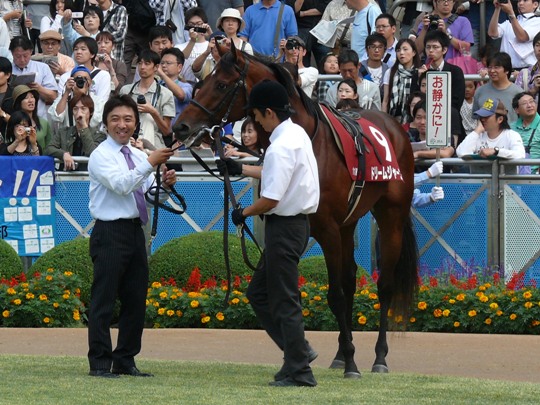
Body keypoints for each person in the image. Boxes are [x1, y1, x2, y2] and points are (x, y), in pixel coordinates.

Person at [218, 80, 319, 387]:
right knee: (259, 293)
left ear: (268, 113)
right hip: (295, 226)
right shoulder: (296, 133)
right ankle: (296, 354)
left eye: (258, 116)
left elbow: (271, 198)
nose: (257, 122)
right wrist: (242, 169)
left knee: (284, 299)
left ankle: (300, 370)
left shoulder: (280, 145)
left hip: (284, 228)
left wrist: (243, 213)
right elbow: (278, 173)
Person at [87, 94, 176, 378]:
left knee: (136, 299)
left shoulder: (137, 155)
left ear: (136, 124)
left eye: (128, 119)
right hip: (109, 232)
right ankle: (100, 362)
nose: (122, 125)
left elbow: (148, 196)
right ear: (105, 124)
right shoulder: (100, 155)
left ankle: (125, 359)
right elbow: (122, 185)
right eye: (115, 119)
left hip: (136, 231)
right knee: (104, 299)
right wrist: (150, 162)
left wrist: (166, 185)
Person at [119, 49, 175, 151]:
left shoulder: (166, 94)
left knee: (148, 120)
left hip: (154, 146)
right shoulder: (126, 90)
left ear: (156, 67)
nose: (142, 67)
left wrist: (153, 112)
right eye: (140, 63)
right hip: (128, 141)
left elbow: (167, 131)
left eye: (147, 63)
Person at [456, 98, 526, 174]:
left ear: (500, 119)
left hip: (506, 183)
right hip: (480, 183)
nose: (482, 119)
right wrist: (477, 131)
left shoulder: (512, 135)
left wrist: (496, 151)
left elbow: (520, 155)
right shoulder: (477, 135)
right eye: (481, 116)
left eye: (486, 116)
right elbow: (461, 153)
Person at [44, 93, 105, 171]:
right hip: (66, 177)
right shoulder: (63, 132)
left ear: (91, 112)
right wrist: (63, 154)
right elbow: (49, 149)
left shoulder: (99, 135)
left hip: (88, 178)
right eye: (75, 109)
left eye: (83, 108)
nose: (79, 112)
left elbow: (93, 153)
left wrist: (84, 128)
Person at [9, 36, 58, 117]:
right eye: (18, 56)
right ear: (11, 53)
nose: (22, 60)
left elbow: (53, 96)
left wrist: (39, 88)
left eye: (25, 56)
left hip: (38, 117)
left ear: (31, 52)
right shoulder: (7, 70)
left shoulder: (42, 67)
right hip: (14, 119)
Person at [49, 65, 105, 132]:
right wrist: (67, 91)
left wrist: (83, 95)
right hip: (68, 138)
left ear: (90, 82)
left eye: (85, 79)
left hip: (90, 138)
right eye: (77, 79)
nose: (81, 81)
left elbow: (94, 122)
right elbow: (57, 117)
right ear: (71, 80)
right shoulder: (64, 99)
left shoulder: (98, 101)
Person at [473, 52, 523, 124]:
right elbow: (477, 119)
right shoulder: (480, 91)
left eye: (496, 67)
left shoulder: (518, 92)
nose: (492, 71)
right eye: (490, 67)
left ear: (507, 70)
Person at [488, 0, 540, 69]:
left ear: (535, 4)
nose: (520, 3)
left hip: (527, 70)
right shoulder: (509, 22)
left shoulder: (537, 21)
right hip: (506, 70)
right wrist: (497, 8)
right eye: (519, 1)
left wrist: (511, 13)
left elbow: (522, 36)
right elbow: (492, 33)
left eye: (525, 0)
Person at [57, 36, 111, 103]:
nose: (78, 52)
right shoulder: (65, 77)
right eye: (76, 49)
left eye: (83, 49)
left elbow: (102, 102)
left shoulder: (103, 75)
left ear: (92, 54)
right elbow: (59, 105)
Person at [382, 38, 421, 122]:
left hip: (414, 119)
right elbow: (385, 100)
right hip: (393, 118)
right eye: (398, 50)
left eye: (405, 49)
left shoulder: (420, 72)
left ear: (414, 52)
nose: (401, 53)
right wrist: (384, 120)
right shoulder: (390, 72)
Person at [284, 0, 330, 67]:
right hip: (301, 28)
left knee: (325, 61)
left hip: (320, 28)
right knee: (302, 61)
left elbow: (326, 7)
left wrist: (303, 13)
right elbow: (294, 10)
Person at [157, 47, 193, 124]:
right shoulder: (156, 84)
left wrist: (162, 75)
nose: (163, 66)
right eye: (162, 63)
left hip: (175, 132)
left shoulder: (187, 86)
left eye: (168, 63)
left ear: (179, 67)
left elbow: (181, 95)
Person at [176, 7, 211, 83]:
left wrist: (211, 35)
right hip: (185, 85)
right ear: (187, 26)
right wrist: (193, 40)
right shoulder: (179, 47)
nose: (195, 27)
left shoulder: (210, 45)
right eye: (191, 24)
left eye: (199, 24)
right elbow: (182, 58)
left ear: (206, 24)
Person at [11, 84, 51, 149]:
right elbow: (8, 145)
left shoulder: (43, 123)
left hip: (39, 158)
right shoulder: (13, 123)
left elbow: (49, 147)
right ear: (19, 103)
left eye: (32, 97)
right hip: (18, 158)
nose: (30, 100)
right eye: (26, 98)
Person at [510, 91, 540, 174]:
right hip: (513, 177)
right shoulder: (511, 128)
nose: (529, 105)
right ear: (517, 110)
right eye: (524, 103)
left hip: (536, 176)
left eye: (531, 101)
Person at [360, 32, 389, 97]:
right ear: (367, 50)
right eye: (373, 47)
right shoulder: (359, 68)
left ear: (384, 50)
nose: (376, 50)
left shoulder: (388, 70)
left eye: (380, 47)